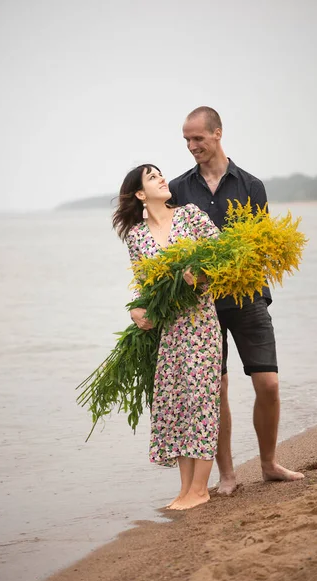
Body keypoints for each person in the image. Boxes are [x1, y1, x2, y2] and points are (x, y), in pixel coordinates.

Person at [168, 106, 304, 494]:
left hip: (248, 297)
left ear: (218, 133)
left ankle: (269, 463)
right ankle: (227, 476)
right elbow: (171, 248)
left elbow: (259, 246)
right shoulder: (178, 189)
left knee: (269, 384)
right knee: (217, 390)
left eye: (198, 138)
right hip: (201, 306)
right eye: (186, 140)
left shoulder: (251, 185)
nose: (192, 146)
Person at [113, 164, 223, 510]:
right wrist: (136, 310)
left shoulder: (190, 216)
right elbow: (145, 285)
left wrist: (200, 275)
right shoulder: (136, 236)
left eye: (161, 173)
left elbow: (221, 255)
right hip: (169, 328)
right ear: (140, 194)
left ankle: (201, 490)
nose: (163, 178)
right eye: (153, 177)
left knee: (201, 400)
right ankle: (185, 489)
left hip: (201, 321)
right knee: (176, 404)